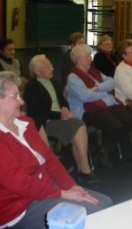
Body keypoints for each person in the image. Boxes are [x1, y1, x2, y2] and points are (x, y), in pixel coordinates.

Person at [0, 71, 112, 229]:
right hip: (20, 206)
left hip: (46, 189)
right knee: (93, 214)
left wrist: (70, 186)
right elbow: (21, 183)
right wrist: (63, 194)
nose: (21, 101)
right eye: (15, 96)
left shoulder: (25, 123)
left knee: (106, 203)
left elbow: (50, 159)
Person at [23, 54, 100, 187]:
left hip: (59, 118)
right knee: (77, 127)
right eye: (47, 67)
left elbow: (64, 102)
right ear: (37, 71)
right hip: (44, 122)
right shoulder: (32, 87)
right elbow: (37, 112)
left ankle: (84, 170)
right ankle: (81, 172)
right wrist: (60, 115)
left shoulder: (54, 83)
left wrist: (65, 109)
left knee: (79, 126)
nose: (52, 68)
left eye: (51, 65)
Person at [67, 44, 132, 161]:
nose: (90, 59)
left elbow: (111, 82)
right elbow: (85, 96)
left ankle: (114, 145)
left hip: (105, 105)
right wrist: (104, 91)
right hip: (87, 111)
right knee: (115, 126)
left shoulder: (94, 72)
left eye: (90, 56)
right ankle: (103, 149)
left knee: (131, 121)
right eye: (87, 57)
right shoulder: (73, 77)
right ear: (78, 59)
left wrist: (97, 87)